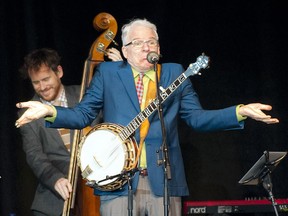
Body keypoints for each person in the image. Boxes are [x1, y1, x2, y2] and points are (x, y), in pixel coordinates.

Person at [15, 19, 279, 216]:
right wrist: (51, 111)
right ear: (126, 50)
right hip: (117, 183)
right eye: (138, 43)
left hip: (163, 181)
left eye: (151, 42)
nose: (146, 48)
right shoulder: (108, 73)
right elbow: (83, 114)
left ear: (159, 47)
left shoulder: (174, 73)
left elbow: (197, 119)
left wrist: (239, 111)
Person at [17, 47, 122, 216]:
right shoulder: (27, 113)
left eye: (45, 79)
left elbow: (118, 110)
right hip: (54, 200)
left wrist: (118, 72)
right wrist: (55, 179)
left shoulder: (85, 96)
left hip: (97, 191)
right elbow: (34, 155)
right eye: (36, 82)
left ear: (59, 72)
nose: (42, 87)